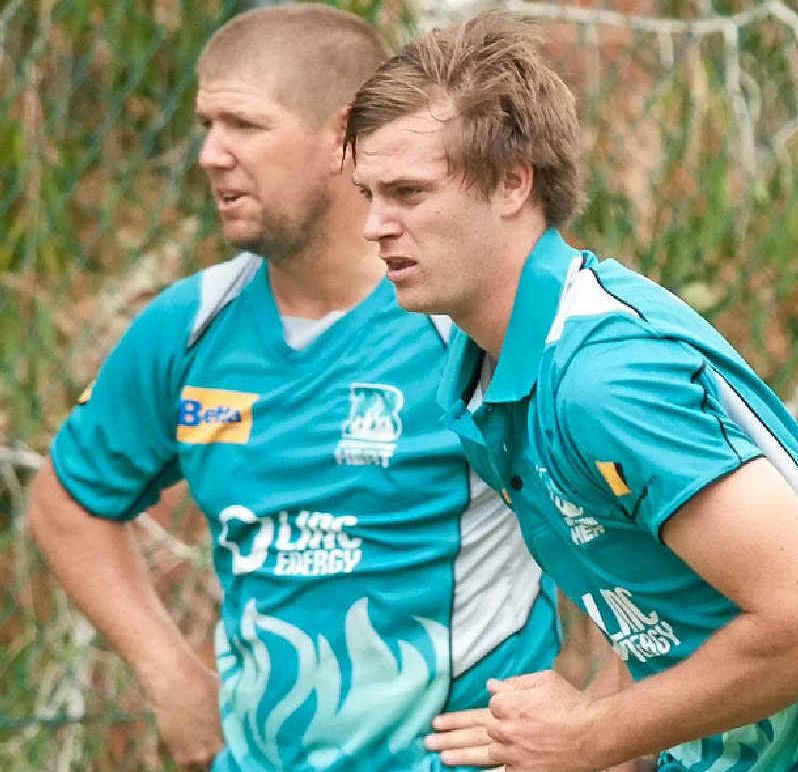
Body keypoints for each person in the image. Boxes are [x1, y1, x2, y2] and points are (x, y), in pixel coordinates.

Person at [344, 11, 798, 772]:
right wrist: (589, 741)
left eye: (407, 192)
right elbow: (651, 603)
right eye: (367, 193)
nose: (374, 226)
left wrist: (592, 734)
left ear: (511, 182)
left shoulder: (605, 378)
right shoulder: (484, 374)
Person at [26, 5, 564, 771]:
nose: (212, 154)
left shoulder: (471, 322)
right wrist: (170, 676)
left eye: (243, 125)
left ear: (344, 140)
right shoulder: (191, 325)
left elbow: (632, 522)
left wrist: (606, 728)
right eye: (206, 125)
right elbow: (69, 501)